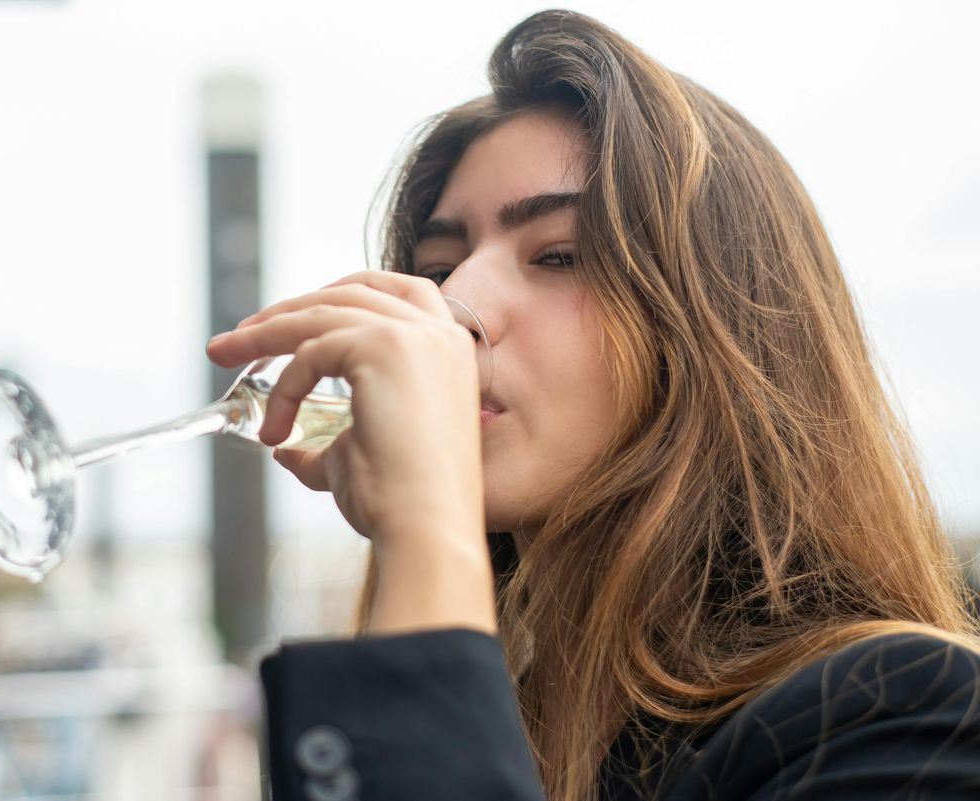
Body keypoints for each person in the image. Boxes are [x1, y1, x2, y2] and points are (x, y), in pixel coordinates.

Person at [205, 9, 980, 801]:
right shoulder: (517, 728)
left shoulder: (904, 715)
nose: (453, 305)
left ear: (718, 331)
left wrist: (427, 528)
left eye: (560, 255)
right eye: (439, 267)